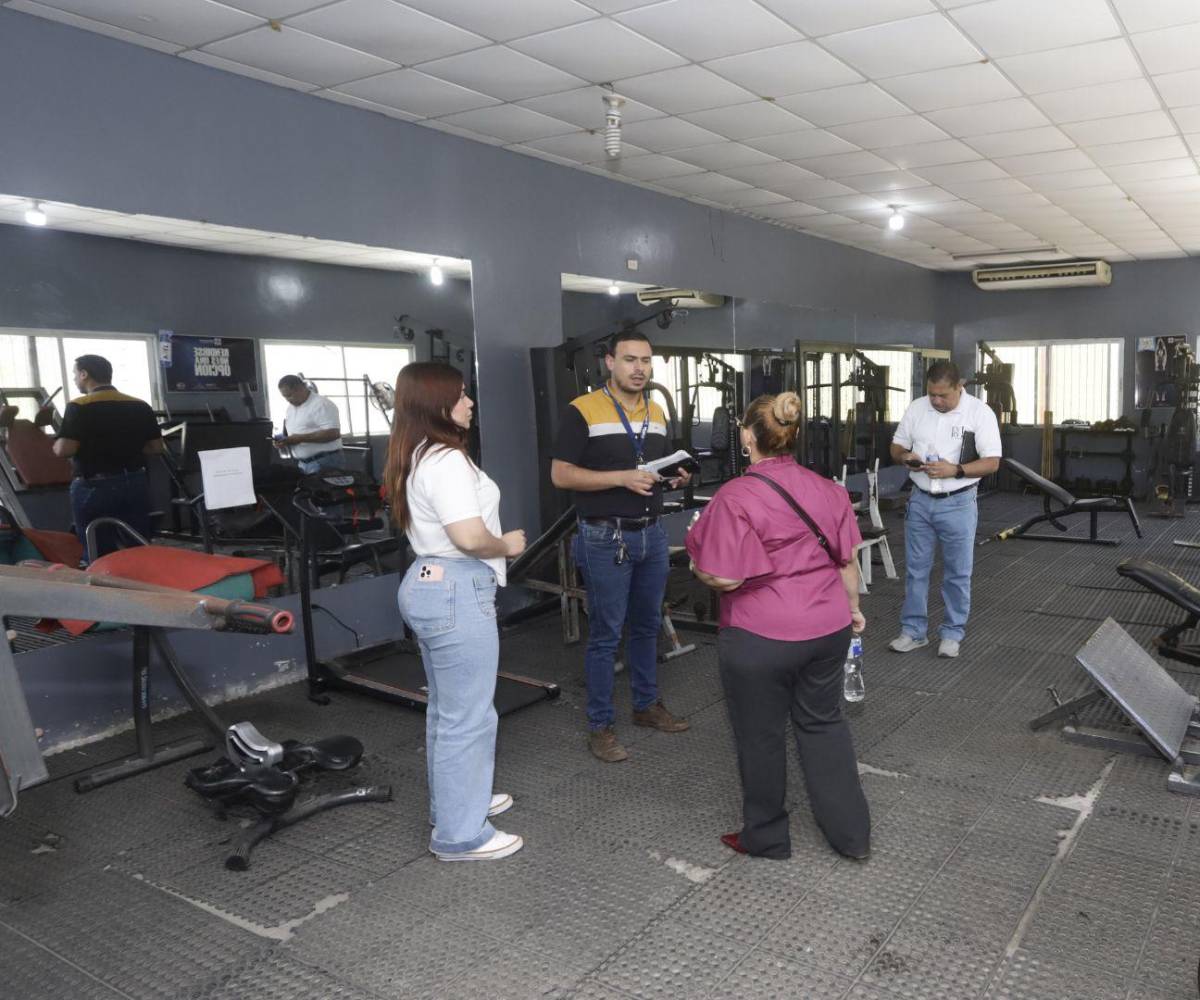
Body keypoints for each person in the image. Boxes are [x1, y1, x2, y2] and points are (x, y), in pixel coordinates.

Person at [686, 391, 869, 861]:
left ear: (747, 437)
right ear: (793, 435)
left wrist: (696, 565)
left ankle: (767, 837)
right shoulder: (828, 489)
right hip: (827, 627)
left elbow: (725, 578)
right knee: (823, 725)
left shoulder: (734, 497)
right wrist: (852, 610)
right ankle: (852, 837)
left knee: (761, 737)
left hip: (760, 637)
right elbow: (846, 562)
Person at [387, 361, 527, 862]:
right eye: (462, 395)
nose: (469, 403)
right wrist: (506, 545)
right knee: (468, 716)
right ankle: (460, 835)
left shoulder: (416, 452)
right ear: (437, 404)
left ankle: (455, 805)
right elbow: (468, 537)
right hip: (455, 588)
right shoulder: (444, 459)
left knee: (448, 710)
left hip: (428, 582)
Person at [550, 331, 691, 763]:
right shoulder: (583, 410)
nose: (639, 369)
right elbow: (561, 474)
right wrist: (621, 478)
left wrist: (675, 477)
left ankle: (646, 706)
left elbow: (653, 468)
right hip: (604, 536)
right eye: (630, 359)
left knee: (648, 626)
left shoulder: (656, 412)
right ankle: (601, 725)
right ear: (609, 362)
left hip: (651, 533)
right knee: (606, 635)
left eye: (646, 361)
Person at [889, 360, 1002, 659]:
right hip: (920, 500)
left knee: (957, 573)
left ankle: (952, 633)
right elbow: (896, 447)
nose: (937, 401)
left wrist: (956, 470)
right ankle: (913, 632)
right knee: (915, 570)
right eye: (932, 394)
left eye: (943, 395)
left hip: (959, 503)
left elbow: (992, 462)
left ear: (959, 387)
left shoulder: (979, 413)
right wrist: (905, 457)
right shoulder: (917, 408)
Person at [53, 354, 163, 560]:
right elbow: (156, 448)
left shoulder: (79, 406)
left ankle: (103, 577)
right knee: (138, 543)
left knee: (97, 547)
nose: (75, 379)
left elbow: (64, 450)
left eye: (75, 374)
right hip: (134, 482)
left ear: (84, 374)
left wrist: (55, 442)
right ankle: (141, 577)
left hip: (94, 487)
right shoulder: (140, 405)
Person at [274, 375, 344, 474]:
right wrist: (284, 441)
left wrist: (300, 438)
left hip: (325, 461)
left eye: (289, 395)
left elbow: (333, 433)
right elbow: (297, 432)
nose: (287, 400)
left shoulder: (321, 404)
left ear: (300, 389)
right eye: (284, 396)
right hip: (303, 463)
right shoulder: (290, 409)